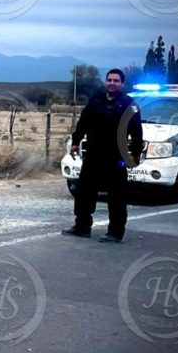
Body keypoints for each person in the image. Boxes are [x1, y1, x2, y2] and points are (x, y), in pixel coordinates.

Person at [62, 68, 143, 243]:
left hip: (116, 156)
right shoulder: (96, 100)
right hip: (93, 155)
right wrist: (76, 141)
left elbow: (137, 132)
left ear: (122, 83)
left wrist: (135, 154)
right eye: (109, 80)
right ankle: (82, 226)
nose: (112, 83)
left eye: (116, 81)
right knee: (84, 192)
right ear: (105, 82)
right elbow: (83, 122)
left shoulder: (130, 104)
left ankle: (115, 232)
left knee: (117, 196)